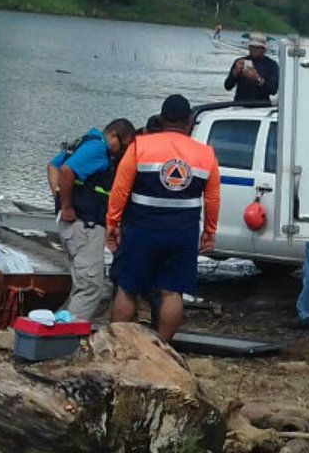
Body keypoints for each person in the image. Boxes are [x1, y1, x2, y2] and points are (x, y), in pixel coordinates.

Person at [106, 94, 220, 342]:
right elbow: (212, 199)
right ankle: (162, 347)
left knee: (127, 288)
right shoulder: (206, 154)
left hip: (141, 229)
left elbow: (120, 190)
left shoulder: (140, 146)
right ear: (189, 122)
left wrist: (112, 223)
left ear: (160, 118)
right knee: (172, 292)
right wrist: (209, 231)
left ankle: (118, 346)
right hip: (183, 232)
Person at [47, 119, 135, 322]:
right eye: (123, 147)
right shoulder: (98, 149)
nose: (122, 152)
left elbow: (53, 166)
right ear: (113, 136)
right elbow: (66, 171)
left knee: (84, 284)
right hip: (85, 226)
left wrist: (58, 197)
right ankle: (64, 336)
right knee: (91, 288)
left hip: (76, 227)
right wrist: (66, 205)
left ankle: (58, 323)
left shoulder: (85, 142)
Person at [224, 31, 279, 102]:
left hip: (261, 107)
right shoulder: (240, 62)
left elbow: (273, 90)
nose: (254, 49)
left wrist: (257, 79)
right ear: (248, 47)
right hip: (239, 106)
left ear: (264, 49)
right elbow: (227, 86)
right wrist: (235, 73)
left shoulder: (271, 65)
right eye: (252, 46)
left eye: (258, 47)